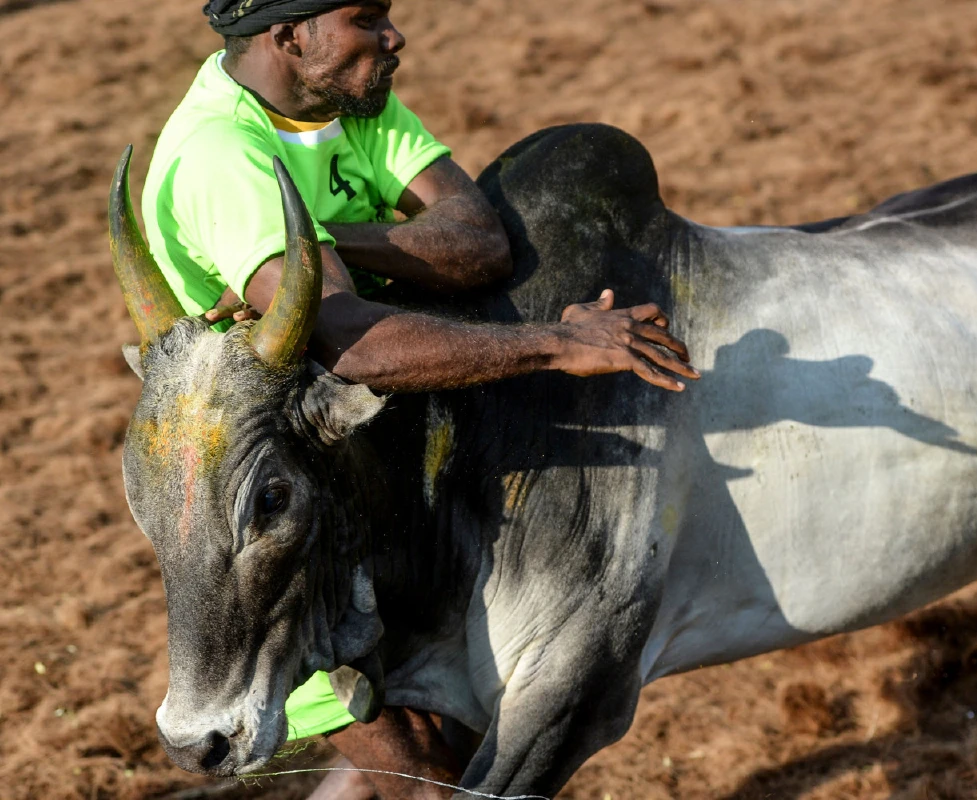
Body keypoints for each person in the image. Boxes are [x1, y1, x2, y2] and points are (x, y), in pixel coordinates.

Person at [140, 0, 700, 796]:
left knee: (431, 753)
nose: (394, 37)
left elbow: (477, 242)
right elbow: (354, 342)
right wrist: (557, 341)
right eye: (368, 19)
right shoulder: (221, 157)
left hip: (379, 484)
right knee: (430, 772)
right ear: (289, 36)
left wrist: (326, 240)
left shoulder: (337, 100)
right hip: (274, 524)